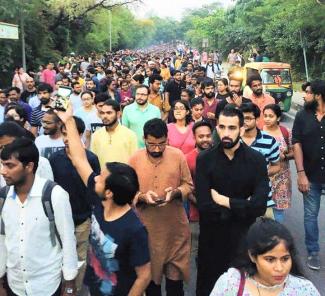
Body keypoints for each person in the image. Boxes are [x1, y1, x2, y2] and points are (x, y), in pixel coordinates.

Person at [54, 107, 151, 296]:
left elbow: (144, 275)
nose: (95, 177)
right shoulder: (100, 200)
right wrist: (69, 121)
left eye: (101, 177)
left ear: (109, 193)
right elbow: (79, 159)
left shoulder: (135, 229)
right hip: (97, 288)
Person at [195, 106, 270, 296]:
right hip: (211, 240)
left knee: (243, 288)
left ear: (242, 129)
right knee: (209, 288)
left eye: (232, 128)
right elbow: (204, 205)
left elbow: (259, 207)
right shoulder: (204, 159)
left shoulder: (257, 160)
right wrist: (243, 206)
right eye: (222, 127)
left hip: (243, 241)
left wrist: (224, 201)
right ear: (217, 128)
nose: (226, 133)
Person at [0, 138, 78, 296]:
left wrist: (69, 284)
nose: (3, 171)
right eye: (2, 164)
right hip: (15, 285)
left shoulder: (54, 195)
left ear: (29, 166)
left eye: (10, 165)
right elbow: (2, 239)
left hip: (47, 285)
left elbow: (68, 239)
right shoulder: (3, 198)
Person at [129, 118, 193, 296]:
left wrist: (175, 193)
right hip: (147, 232)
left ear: (167, 139)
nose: (156, 149)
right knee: (151, 285)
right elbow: (127, 192)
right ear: (144, 139)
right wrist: (141, 197)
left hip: (175, 230)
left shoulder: (177, 156)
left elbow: (189, 185)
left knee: (175, 286)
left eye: (161, 144)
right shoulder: (134, 159)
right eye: (152, 144)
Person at [49, 116, 101, 293]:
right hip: (59, 221)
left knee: (79, 261)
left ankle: (74, 291)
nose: (65, 138)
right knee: (59, 258)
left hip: (82, 219)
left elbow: (95, 190)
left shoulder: (91, 159)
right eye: (63, 134)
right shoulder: (54, 159)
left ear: (79, 135)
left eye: (69, 134)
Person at [210, 218, 320, 296]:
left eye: (285, 259)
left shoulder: (304, 289)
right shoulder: (230, 284)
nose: (280, 268)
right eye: (270, 259)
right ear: (252, 256)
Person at [292, 79, 325, 270]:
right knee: (311, 215)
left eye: (309, 92)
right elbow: (296, 143)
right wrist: (301, 173)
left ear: (319, 95)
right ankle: (313, 251)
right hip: (310, 175)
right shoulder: (302, 115)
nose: (305, 95)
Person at [240, 102, 281, 207]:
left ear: (257, 119)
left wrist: (262, 172)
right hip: (237, 199)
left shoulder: (269, 141)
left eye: (248, 118)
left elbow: (276, 166)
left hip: (262, 199)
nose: (244, 122)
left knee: (264, 223)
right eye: (242, 118)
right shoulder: (233, 140)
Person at [185, 121, 213, 272]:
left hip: (219, 216)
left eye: (208, 136)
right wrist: (201, 205)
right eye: (201, 136)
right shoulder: (188, 159)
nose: (205, 139)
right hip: (196, 216)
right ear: (194, 138)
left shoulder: (220, 155)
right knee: (197, 255)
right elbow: (187, 188)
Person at [263, 104, 293, 223]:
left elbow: (294, 152)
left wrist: (284, 156)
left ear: (278, 118)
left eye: (271, 116)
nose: (267, 119)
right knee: (263, 210)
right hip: (264, 177)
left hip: (282, 178)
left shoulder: (286, 132)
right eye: (265, 116)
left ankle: (276, 237)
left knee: (278, 210)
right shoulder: (259, 132)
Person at [0, 121, 54, 188]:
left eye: (8, 146)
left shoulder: (42, 162)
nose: (3, 150)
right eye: (0, 147)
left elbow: (48, 189)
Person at [91, 99, 138, 169]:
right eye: (102, 113)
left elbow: (135, 162)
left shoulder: (130, 135)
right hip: (103, 178)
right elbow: (94, 162)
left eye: (109, 113)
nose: (105, 116)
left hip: (124, 178)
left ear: (118, 114)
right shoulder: (96, 135)